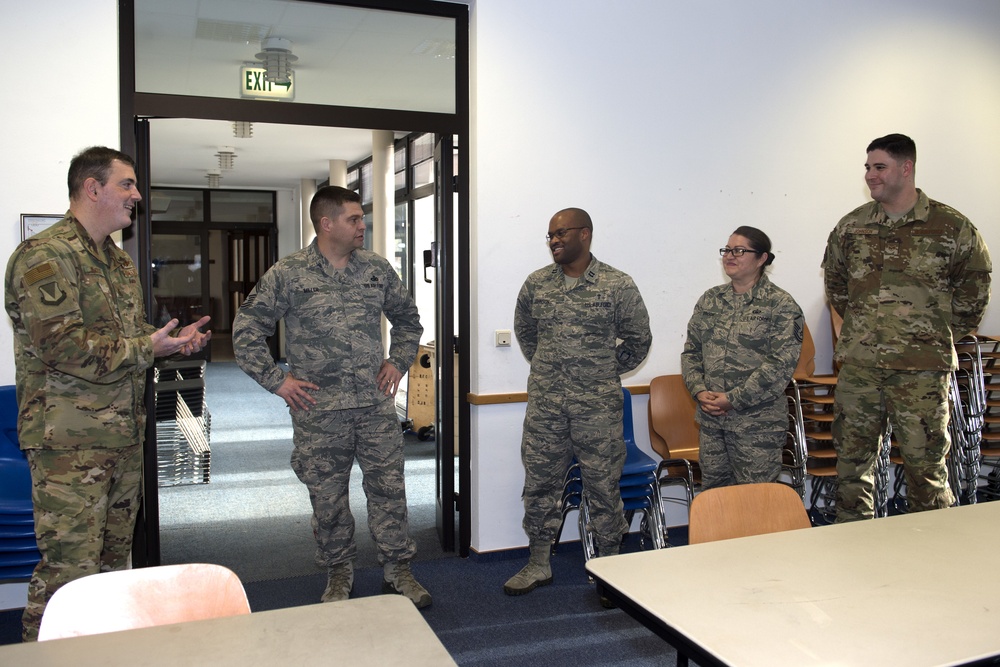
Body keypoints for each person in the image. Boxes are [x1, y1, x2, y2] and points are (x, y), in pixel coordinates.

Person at [4, 146, 212, 642]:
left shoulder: (117, 263)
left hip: (120, 436)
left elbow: (128, 339)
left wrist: (169, 345)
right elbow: (62, 347)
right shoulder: (45, 256)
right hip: (68, 445)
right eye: (127, 184)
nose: (137, 195)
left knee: (111, 567)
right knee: (68, 574)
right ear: (92, 188)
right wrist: (147, 345)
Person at [232, 185, 430, 608]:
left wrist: (397, 361)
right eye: (354, 219)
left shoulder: (377, 269)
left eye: (361, 218)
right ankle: (339, 572)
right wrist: (278, 381)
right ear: (326, 223)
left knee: (389, 491)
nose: (363, 225)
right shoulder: (289, 273)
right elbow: (247, 330)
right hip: (319, 412)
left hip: (375, 407)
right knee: (328, 498)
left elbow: (409, 320)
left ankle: (398, 569)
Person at [822, 133, 992, 522]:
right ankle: (852, 545)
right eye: (867, 167)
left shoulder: (950, 226)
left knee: (925, 469)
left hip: (922, 371)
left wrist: (932, 335)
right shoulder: (852, 227)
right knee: (850, 466)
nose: (870, 175)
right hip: (861, 368)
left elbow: (974, 291)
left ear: (906, 168)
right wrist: (867, 331)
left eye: (879, 167)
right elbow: (837, 287)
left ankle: (933, 552)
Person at [505, 207, 652, 606]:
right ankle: (538, 561)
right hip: (546, 408)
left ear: (584, 234)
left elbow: (639, 340)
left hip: (598, 409)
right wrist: (553, 370)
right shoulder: (536, 284)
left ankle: (609, 568)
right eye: (549, 235)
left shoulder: (616, 284)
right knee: (539, 484)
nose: (554, 240)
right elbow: (525, 332)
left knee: (603, 486)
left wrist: (600, 372)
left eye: (561, 233)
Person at [680, 226, 804, 490]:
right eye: (727, 250)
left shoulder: (780, 304)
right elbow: (691, 352)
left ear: (762, 259)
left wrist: (733, 400)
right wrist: (699, 390)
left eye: (739, 250)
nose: (730, 256)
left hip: (757, 425)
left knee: (755, 501)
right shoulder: (710, 300)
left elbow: (780, 365)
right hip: (712, 421)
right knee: (715, 499)